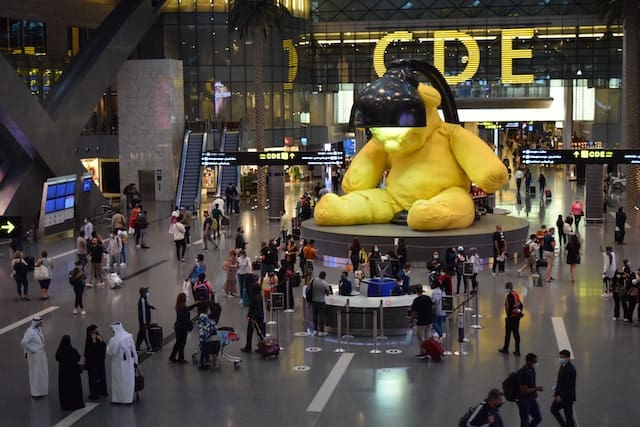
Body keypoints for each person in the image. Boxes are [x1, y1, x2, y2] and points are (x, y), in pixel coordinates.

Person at [106, 322, 138, 404]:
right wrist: (136, 361)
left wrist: (107, 346)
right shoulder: (128, 336)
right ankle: (129, 399)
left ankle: (119, 399)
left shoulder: (115, 340)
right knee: (129, 381)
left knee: (119, 382)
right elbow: (134, 350)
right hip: (129, 364)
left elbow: (110, 352)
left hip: (118, 365)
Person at [20, 317, 48, 397]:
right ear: (37, 323)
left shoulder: (39, 329)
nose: (42, 323)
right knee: (35, 373)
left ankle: (42, 390)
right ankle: (36, 392)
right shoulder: (30, 332)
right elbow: (23, 343)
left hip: (41, 354)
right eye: (41, 322)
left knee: (42, 372)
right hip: (35, 356)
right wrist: (33, 350)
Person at [55, 335, 85, 411]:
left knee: (64, 389)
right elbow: (78, 358)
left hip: (63, 374)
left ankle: (65, 404)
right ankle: (75, 404)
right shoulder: (73, 351)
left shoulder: (60, 351)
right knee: (74, 388)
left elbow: (57, 358)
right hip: (73, 374)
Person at [550, 349, 577, 427]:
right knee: (553, 409)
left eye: (563, 357)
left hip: (567, 397)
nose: (561, 359)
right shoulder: (562, 366)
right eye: (560, 357)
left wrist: (560, 396)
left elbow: (569, 386)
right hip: (561, 395)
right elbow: (560, 380)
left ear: (568, 358)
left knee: (568, 416)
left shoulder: (571, 370)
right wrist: (556, 393)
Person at [517, 353, 544, 427]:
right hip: (524, 401)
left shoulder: (531, 369)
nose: (536, 363)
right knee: (525, 422)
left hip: (531, 399)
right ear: (528, 362)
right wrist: (536, 388)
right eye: (534, 362)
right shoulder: (523, 373)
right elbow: (524, 390)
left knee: (538, 418)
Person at [84, 325, 108, 400]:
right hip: (97, 362)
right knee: (99, 377)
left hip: (95, 363)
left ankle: (96, 393)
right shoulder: (94, 338)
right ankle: (100, 391)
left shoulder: (94, 338)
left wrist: (96, 341)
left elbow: (89, 351)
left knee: (94, 378)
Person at [498, 282, 523, 356]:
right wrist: (518, 312)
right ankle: (517, 350)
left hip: (511, 318)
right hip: (516, 317)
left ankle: (506, 349)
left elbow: (510, 307)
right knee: (516, 334)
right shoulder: (515, 294)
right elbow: (521, 305)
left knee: (508, 334)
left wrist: (508, 316)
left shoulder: (510, 296)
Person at [169, 293, 194, 364]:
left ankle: (172, 356)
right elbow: (185, 319)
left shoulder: (179, 306)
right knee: (182, 343)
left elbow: (187, 309)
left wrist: (195, 304)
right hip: (182, 328)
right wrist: (191, 324)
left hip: (178, 327)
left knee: (178, 343)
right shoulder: (183, 308)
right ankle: (181, 358)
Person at [242, 278, 265, 353]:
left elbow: (255, 308)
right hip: (259, 317)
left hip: (255, 318)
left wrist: (252, 317)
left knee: (250, 332)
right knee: (259, 332)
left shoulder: (255, 297)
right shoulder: (259, 296)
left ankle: (249, 347)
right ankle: (262, 347)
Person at [411, 286, 433, 358]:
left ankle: (423, 352)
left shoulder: (416, 300)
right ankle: (428, 351)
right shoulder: (428, 298)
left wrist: (411, 322)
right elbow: (432, 307)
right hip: (429, 320)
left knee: (419, 336)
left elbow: (414, 312)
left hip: (421, 321)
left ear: (416, 291)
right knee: (427, 336)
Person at [194, 305, 217, 369]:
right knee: (205, 350)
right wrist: (214, 327)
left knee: (204, 350)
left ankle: (206, 362)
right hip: (206, 337)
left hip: (202, 337)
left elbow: (197, 326)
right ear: (206, 310)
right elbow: (209, 328)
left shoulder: (200, 318)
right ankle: (202, 363)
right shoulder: (206, 319)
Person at [136, 287, 157, 352]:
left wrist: (151, 307)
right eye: (146, 292)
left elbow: (146, 306)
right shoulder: (142, 300)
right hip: (144, 321)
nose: (148, 293)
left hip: (143, 321)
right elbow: (143, 312)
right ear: (143, 293)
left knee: (141, 334)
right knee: (146, 334)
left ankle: (137, 346)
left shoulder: (144, 299)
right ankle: (150, 348)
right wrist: (145, 323)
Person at [311, 271, 331, 336]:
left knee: (315, 316)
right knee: (321, 316)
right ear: (324, 276)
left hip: (314, 301)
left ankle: (315, 330)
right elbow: (327, 293)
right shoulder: (325, 283)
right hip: (321, 301)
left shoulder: (314, 280)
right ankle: (321, 331)